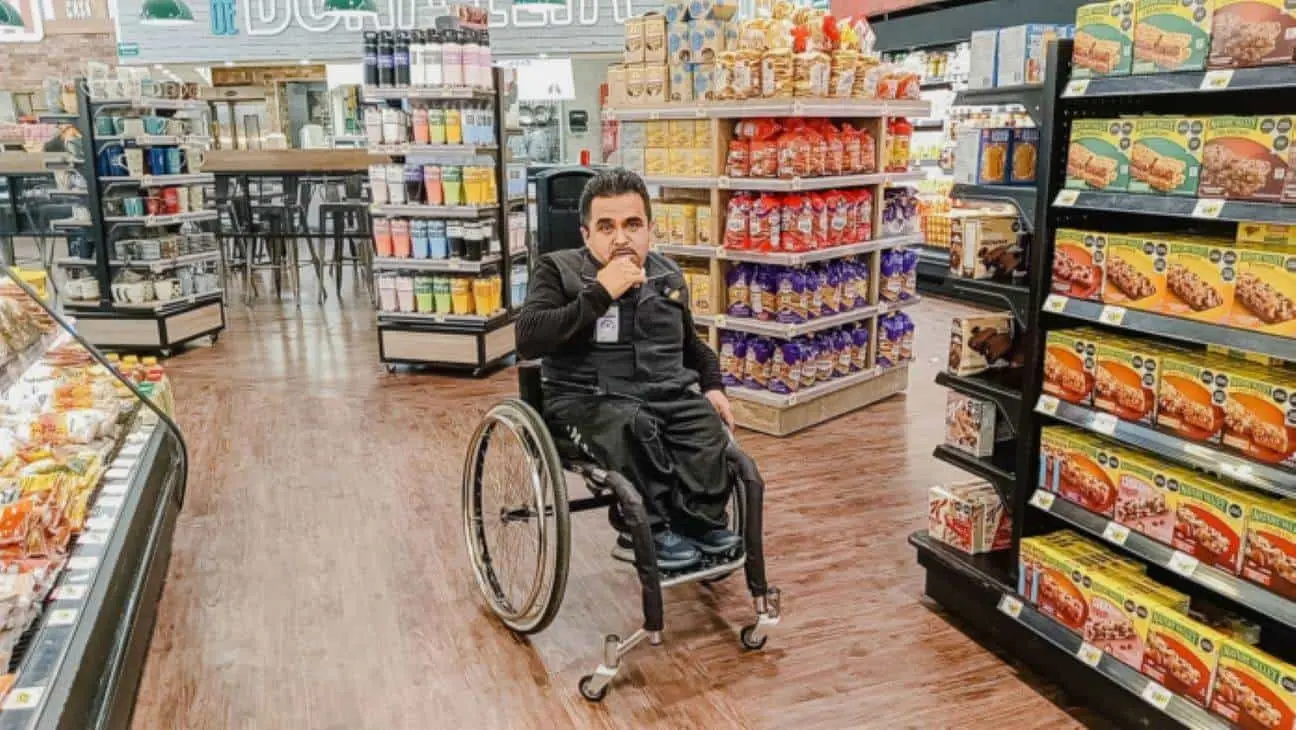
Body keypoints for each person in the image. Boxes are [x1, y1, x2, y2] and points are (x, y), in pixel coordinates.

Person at [515, 168, 741, 571]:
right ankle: (646, 529)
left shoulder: (666, 275)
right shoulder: (557, 271)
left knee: (705, 426)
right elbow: (529, 337)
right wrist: (600, 292)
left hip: (662, 393)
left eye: (632, 225)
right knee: (632, 427)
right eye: (606, 227)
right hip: (587, 399)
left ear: (650, 230)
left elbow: (690, 345)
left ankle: (699, 523)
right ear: (587, 235)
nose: (621, 238)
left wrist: (713, 384)